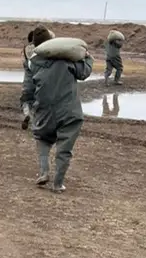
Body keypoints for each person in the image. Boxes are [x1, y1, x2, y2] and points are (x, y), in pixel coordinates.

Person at [20, 27, 94, 193]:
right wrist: (89, 59)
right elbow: (84, 73)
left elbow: (28, 89)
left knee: (42, 138)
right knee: (64, 146)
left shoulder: (32, 63)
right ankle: (58, 183)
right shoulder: (66, 59)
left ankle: (44, 172)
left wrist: (28, 108)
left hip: (44, 110)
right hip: (69, 110)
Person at [21, 25, 53, 129]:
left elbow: (25, 64)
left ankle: (27, 114)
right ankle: (38, 120)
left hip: (28, 79)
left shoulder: (26, 50)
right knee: (39, 100)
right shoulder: (41, 50)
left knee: (26, 99)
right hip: (40, 78)